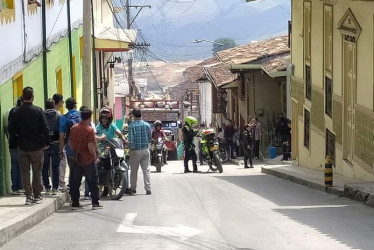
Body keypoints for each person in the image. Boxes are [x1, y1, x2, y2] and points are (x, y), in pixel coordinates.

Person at [8, 87, 50, 205]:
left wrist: (15, 142)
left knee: (24, 172)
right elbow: (45, 128)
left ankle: (28, 196)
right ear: (32, 97)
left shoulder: (16, 112)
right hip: (37, 146)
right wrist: (47, 142)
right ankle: (37, 195)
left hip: (22, 146)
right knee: (37, 172)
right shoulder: (38, 111)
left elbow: (11, 129)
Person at [69, 108, 102, 210]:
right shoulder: (89, 130)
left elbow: (70, 143)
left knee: (75, 181)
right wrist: (95, 155)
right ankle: (95, 203)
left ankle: (75, 202)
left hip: (76, 158)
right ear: (90, 117)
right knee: (92, 181)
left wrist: (75, 151)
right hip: (87, 159)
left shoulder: (73, 128)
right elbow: (90, 146)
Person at [96, 106, 127, 196]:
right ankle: (98, 183)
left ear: (109, 119)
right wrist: (101, 139)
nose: (104, 120)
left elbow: (118, 132)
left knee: (124, 164)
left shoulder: (112, 125)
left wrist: (123, 138)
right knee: (98, 164)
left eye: (106, 118)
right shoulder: (98, 128)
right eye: (103, 118)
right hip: (102, 149)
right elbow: (96, 138)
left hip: (113, 147)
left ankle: (127, 187)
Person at [59, 98, 81, 195]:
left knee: (73, 170)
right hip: (83, 148)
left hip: (70, 148)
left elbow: (61, 137)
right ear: (75, 105)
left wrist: (61, 150)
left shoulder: (64, 118)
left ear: (66, 107)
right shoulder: (81, 115)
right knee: (86, 170)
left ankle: (74, 195)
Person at [128, 107, 152, 195]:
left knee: (134, 171)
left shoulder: (131, 126)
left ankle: (133, 188)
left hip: (136, 150)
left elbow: (131, 141)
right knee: (146, 170)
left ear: (133, 115)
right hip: (145, 150)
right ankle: (148, 188)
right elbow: (150, 138)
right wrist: (147, 147)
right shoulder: (147, 125)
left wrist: (131, 151)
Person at [3, 97, 24, 195]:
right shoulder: (23, 113)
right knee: (23, 165)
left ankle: (15, 187)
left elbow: (8, 128)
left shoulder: (11, 112)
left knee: (14, 164)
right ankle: (21, 186)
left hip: (13, 143)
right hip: (23, 143)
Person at [42, 99, 61, 195]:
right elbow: (62, 130)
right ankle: (55, 188)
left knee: (44, 167)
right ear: (54, 105)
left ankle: (47, 187)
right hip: (56, 143)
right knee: (55, 167)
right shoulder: (58, 115)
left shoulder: (42, 115)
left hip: (44, 145)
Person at [53, 94, 67, 192]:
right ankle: (61, 184)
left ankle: (54, 185)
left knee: (52, 166)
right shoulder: (59, 115)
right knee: (62, 164)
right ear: (59, 102)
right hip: (59, 143)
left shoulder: (46, 114)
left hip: (49, 143)